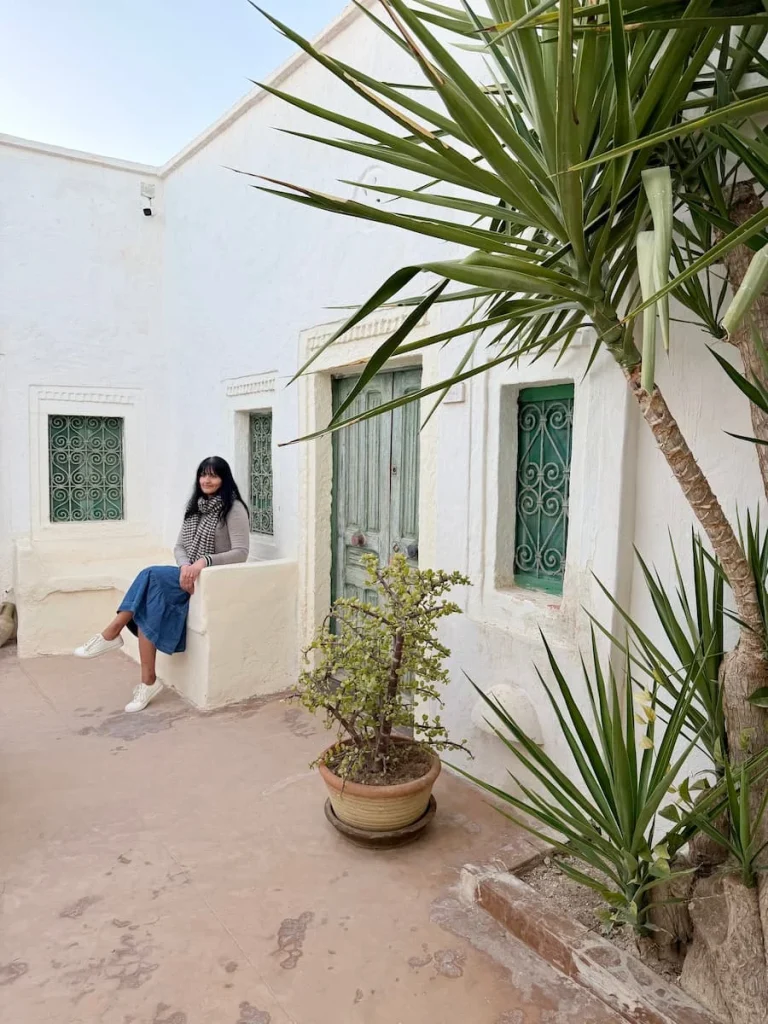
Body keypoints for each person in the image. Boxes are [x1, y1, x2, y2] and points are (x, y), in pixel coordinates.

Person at [74, 456, 250, 713]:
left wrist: (203, 562)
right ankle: (148, 682)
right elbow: (179, 546)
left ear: (224, 479)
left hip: (210, 578)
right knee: (148, 603)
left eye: (213, 475)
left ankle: (112, 633)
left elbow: (241, 552)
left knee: (150, 575)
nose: (207, 480)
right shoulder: (195, 507)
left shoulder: (233, 509)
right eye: (203, 474)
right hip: (186, 575)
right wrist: (184, 567)